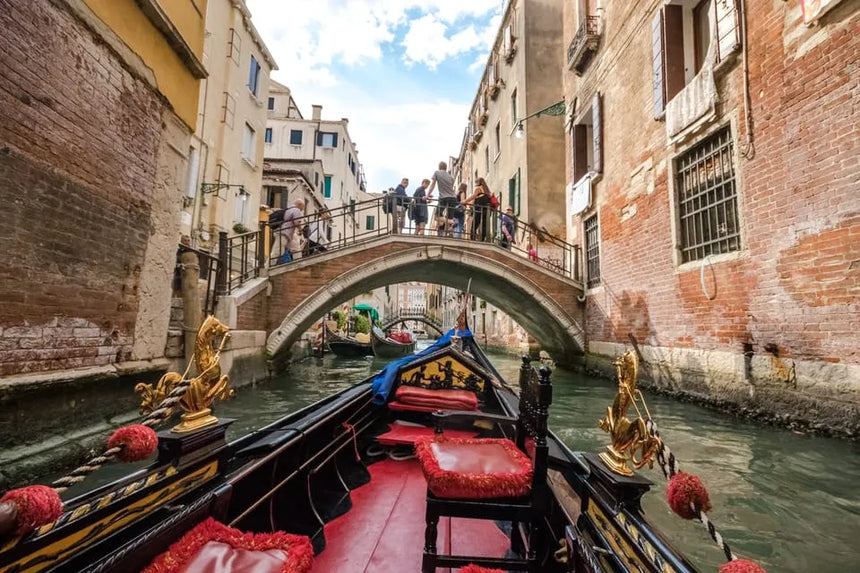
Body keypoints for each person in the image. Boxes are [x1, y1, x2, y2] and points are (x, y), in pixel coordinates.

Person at [426, 161, 456, 236]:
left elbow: (433, 184)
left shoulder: (437, 173)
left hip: (444, 197)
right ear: (446, 168)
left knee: (437, 216)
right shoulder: (451, 177)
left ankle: (452, 222)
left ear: (439, 167)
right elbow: (450, 188)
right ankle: (449, 231)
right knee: (449, 217)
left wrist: (427, 195)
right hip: (453, 198)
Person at [464, 177, 492, 242]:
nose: (475, 184)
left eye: (476, 182)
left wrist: (465, 201)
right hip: (487, 209)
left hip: (479, 208)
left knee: (475, 223)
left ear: (478, 182)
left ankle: (472, 239)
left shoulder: (478, 188)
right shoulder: (487, 190)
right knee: (484, 224)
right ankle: (482, 239)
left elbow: (473, 196)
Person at [277, 199, 304, 263]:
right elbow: (297, 222)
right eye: (302, 208)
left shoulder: (288, 209)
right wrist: (300, 230)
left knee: (281, 251)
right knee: (277, 252)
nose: (302, 210)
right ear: (299, 205)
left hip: (282, 232)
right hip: (285, 233)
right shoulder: (296, 210)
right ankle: (266, 269)